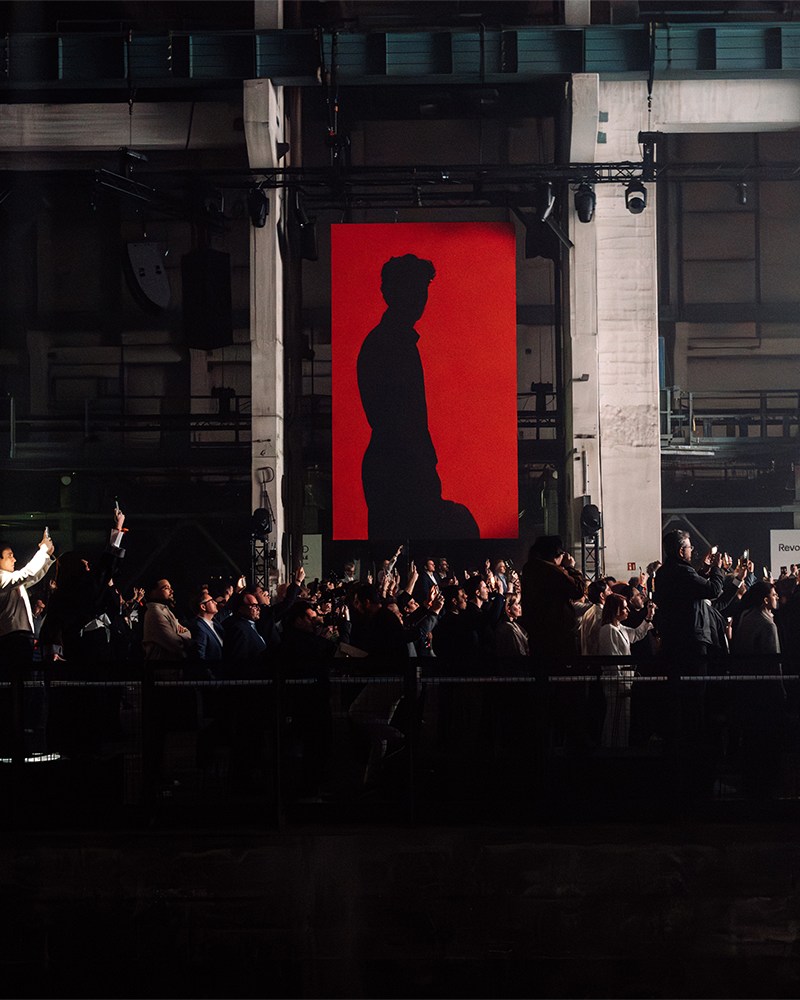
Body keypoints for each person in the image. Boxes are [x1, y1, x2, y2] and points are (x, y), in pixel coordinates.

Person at [357, 253, 478, 540]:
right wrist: (421, 463)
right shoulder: (388, 344)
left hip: (402, 461)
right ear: (391, 292)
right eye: (414, 288)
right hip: (399, 464)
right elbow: (398, 417)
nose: (421, 297)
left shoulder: (393, 341)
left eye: (423, 289)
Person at [0, 528, 56, 668]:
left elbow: (32, 576)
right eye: (9, 556)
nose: (14, 559)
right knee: (18, 678)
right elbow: (27, 574)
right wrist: (43, 550)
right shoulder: (2, 579)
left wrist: (46, 556)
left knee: (21, 678)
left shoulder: (9, 580)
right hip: (13, 638)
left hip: (20, 637)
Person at [142, 579, 193, 661]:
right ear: (153, 592)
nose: (171, 591)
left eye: (170, 587)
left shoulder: (165, 609)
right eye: (166, 588)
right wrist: (186, 634)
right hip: (163, 669)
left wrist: (181, 634)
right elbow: (176, 644)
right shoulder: (155, 612)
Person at [189, 590, 225, 662]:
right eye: (211, 601)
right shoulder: (199, 627)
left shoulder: (214, 622)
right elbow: (199, 657)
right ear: (203, 607)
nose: (215, 602)